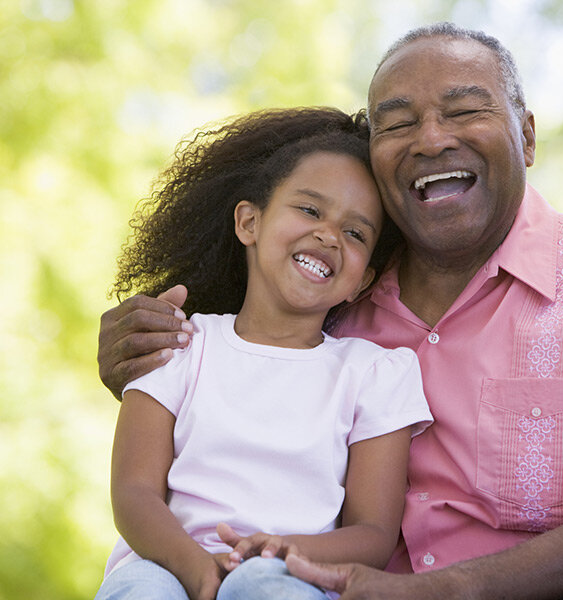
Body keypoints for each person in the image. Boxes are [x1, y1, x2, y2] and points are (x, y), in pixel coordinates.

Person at [97, 22, 563, 600]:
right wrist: (135, 350)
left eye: (463, 111)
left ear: (528, 137)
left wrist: (444, 590)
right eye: (398, 123)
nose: (431, 139)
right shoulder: (331, 294)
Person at [94, 106, 433, 600]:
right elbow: (133, 494)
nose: (328, 235)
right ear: (249, 222)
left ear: (362, 282)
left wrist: (277, 551)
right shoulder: (179, 343)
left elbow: (373, 536)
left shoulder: (374, 373)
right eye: (310, 210)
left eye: (355, 233)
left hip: (291, 569)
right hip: (165, 559)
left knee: (264, 586)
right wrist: (199, 568)